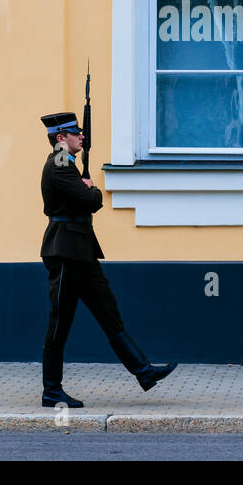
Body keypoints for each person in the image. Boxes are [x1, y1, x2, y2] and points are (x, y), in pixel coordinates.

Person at [39, 111, 177, 408]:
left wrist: (87, 189)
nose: (81, 136)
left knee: (108, 312)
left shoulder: (68, 164)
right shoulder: (60, 163)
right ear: (60, 137)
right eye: (75, 132)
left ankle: (144, 372)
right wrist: (93, 190)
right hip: (64, 251)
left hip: (82, 251)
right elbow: (91, 201)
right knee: (59, 322)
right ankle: (51, 390)